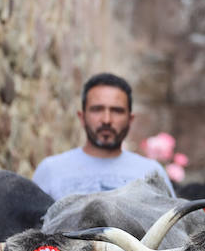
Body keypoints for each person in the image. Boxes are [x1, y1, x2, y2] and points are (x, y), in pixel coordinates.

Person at [32, 72, 174, 200]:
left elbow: (174, 227)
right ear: (82, 117)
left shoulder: (151, 173)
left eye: (117, 111)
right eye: (97, 109)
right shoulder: (50, 170)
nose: (106, 120)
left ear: (130, 119)